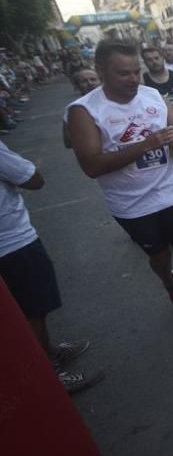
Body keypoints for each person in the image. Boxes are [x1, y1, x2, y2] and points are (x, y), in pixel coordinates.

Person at [66, 40, 173, 350]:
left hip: (172, 193)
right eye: (123, 73)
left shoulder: (151, 96)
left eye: (135, 72)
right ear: (101, 71)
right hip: (133, 206)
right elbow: (91, 165)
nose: (132, 79)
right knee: (159, 259)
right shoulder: (84, 110)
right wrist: (149, 142)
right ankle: (168, 280)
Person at [1, 140, 103, 394]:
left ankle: (47, 352)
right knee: (33, 309)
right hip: (12, 242)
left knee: (29, 309)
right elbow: (33, 179)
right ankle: (49, 374)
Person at [63, 68, 102, 148]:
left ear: (101, 81)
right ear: (77, 86)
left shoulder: (118, 100)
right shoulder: (74, 109)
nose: (90, 83)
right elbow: (68, 142)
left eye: (93, 79)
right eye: (84, 81)